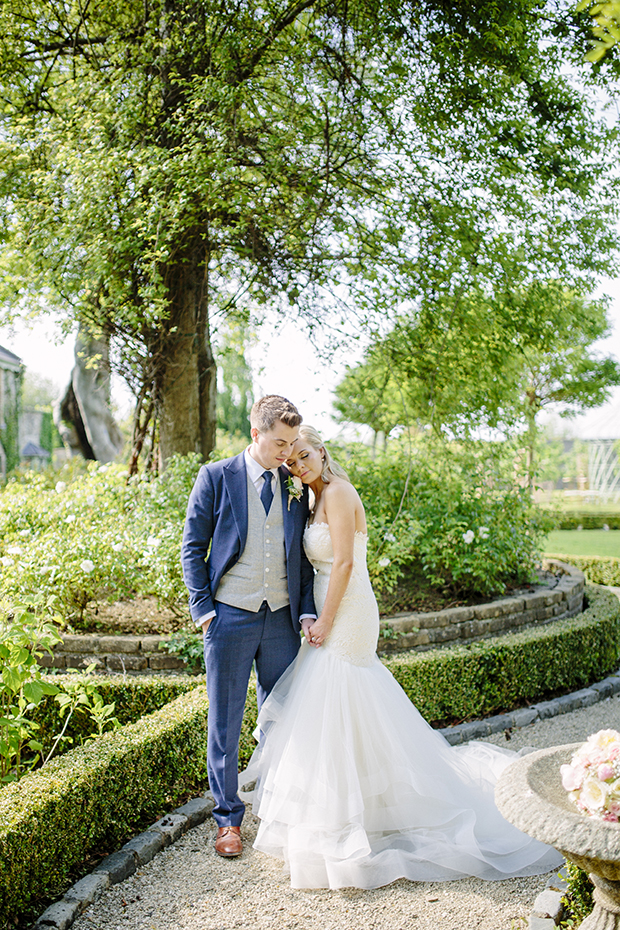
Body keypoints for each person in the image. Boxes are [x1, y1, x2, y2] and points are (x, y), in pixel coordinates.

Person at [242, 426, 563, 889]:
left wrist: (327, 620)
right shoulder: (311, 500)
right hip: (327, 606)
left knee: (342, 692)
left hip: (348, 608)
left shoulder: (338, 491)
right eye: (291, 461)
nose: (299, 465)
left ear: (321, 451)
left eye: (305, 455)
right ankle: (356, 808)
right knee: (334, 706)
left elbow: (347, 564)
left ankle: (354, 817)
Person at [181, 396, 316, 858]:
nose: (287, 452)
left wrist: (305, 610)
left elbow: (302, 558)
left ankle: (280, 810)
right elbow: (192, 547)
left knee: (281, 718)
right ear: (255, 433)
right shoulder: (216, 476)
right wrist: (204, 610)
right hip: (230, 616)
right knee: (225, 722)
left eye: (292, 443)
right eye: (279, 442)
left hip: (281, 619)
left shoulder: (296, 486)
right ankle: (228, 821)